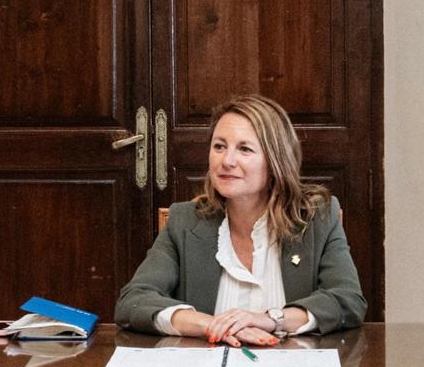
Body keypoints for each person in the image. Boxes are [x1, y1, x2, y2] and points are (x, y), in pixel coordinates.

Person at [115, 94, 365, 342]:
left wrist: (271, 319)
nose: (227, 161)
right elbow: (134, 302)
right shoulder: (185, 222)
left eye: (245, 149)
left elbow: (348, 300)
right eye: (219, 147)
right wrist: (213, 324)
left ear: (276, 161)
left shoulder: (316, 218)